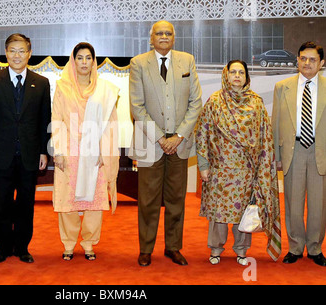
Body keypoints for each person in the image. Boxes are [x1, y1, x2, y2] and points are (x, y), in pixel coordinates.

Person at [129, 20, 202, 266]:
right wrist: (161, 137)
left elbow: (196, 103)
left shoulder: (187, 61)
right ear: (151, 38)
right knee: (148, 199)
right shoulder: (139, 63)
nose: (163, 36)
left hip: (179, 144)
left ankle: (173, 247)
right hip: (152, 143)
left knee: (176, 199)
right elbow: (137, 107)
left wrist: (179, 136)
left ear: (174, 37)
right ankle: (146, 248)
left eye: (168, 33)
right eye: (159, 33)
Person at [196, 60, 281, 265]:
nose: (236, 76)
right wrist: (204, 166)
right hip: (220, 169)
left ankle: (241, 250)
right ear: (226, 75)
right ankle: (216, 249)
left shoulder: (256, 103)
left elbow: (265, 138)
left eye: (241, 72)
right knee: (219, 211)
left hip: (246, 170)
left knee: (245, 210)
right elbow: (202, 133)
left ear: (246, 77)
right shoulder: (215, 101)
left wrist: (263, 168)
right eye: (233, 72)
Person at [0, 33, 51, 264]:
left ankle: (22, 247)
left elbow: (44, 121)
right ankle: (2, 248)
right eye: (12, 50)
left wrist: (43, 151)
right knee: (2, 203)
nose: (17, 55)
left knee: (26, 204)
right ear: (6, 53)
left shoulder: (41, 83)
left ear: (29, 53)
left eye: (22, 51)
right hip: (1, 155)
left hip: (29, 155)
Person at [51, 42, 119, 261]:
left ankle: (89, 243)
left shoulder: (104, 89)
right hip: (69, 149)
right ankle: (69, 244)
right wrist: (59, 151)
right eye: (79, 58)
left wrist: (104, 150)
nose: (84, 62)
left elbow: (110, 124)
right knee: (67, 200)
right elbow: (57, 119)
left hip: (95, 151)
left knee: (94, 201)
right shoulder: (63, 87)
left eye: (88, 57)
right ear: (73, 60)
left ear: (94, 61)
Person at [272, 41, 326, 267]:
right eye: (303, 58)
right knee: (293, 203)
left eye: (312, 59)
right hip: (292, 150)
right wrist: (276, 156)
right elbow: (275, 123)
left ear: (321, 63)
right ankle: (294, 247)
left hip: (319, 151)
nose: (307, 63)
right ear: (297, 60)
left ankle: (315, 248)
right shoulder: (282, 87)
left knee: (318, 204)